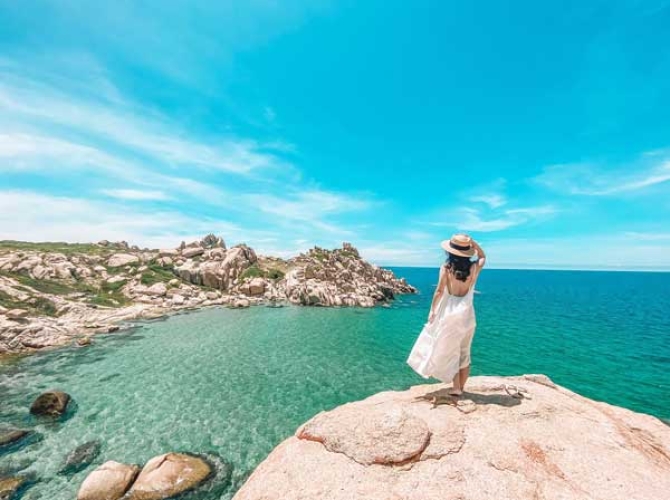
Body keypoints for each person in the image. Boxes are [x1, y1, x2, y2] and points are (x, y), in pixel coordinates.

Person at [407, 234, 486, 396]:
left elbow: (439, 291)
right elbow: (483, 257)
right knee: (464, 351)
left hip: (449, 313)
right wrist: (474, 244)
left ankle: (456, 387)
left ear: (450, 252)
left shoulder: (446, 268)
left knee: (451, 350)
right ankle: (461, 388)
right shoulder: (473, 268)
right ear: (467, 252)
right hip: (467, 314)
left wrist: (432, 310)